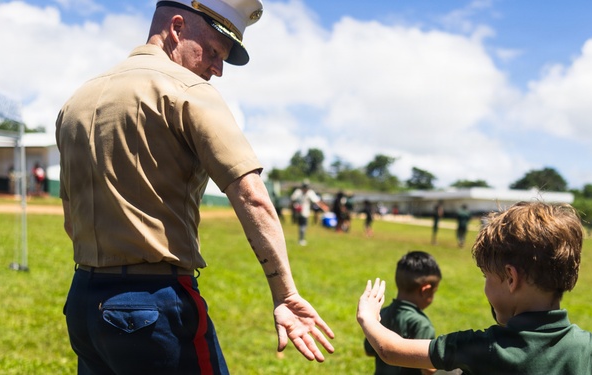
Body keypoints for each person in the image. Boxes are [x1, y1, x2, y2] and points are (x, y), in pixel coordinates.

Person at [56, 1, 335, 373]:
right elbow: (251, 195)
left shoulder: (77, 100)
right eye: (215, 52)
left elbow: (70, 220)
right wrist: (285, 294)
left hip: (84, 303)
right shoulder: (187, 90)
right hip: (153, 306)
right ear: (176, 27)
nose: (217, 70)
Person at [357, 201, 592, 374]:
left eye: (487, 276)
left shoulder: (486, 347)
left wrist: (369, 318)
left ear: (510, 278)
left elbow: (391, 350)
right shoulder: (589, 346)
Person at [364, 251, 442, 375]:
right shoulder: (421, 324)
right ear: (425, 290)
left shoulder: (381, 313)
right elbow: (428, 368)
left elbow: (368, 350)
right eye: (434, 291)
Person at [290, 180, 328, 245]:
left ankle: (301, 239)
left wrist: (323, 207)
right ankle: (301, 240)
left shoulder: (305, 192)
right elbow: (292, 200)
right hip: (301, 212)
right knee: (302, 226)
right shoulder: (299, 192)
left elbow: (316, 201)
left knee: (302, 226)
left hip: (302, 212)